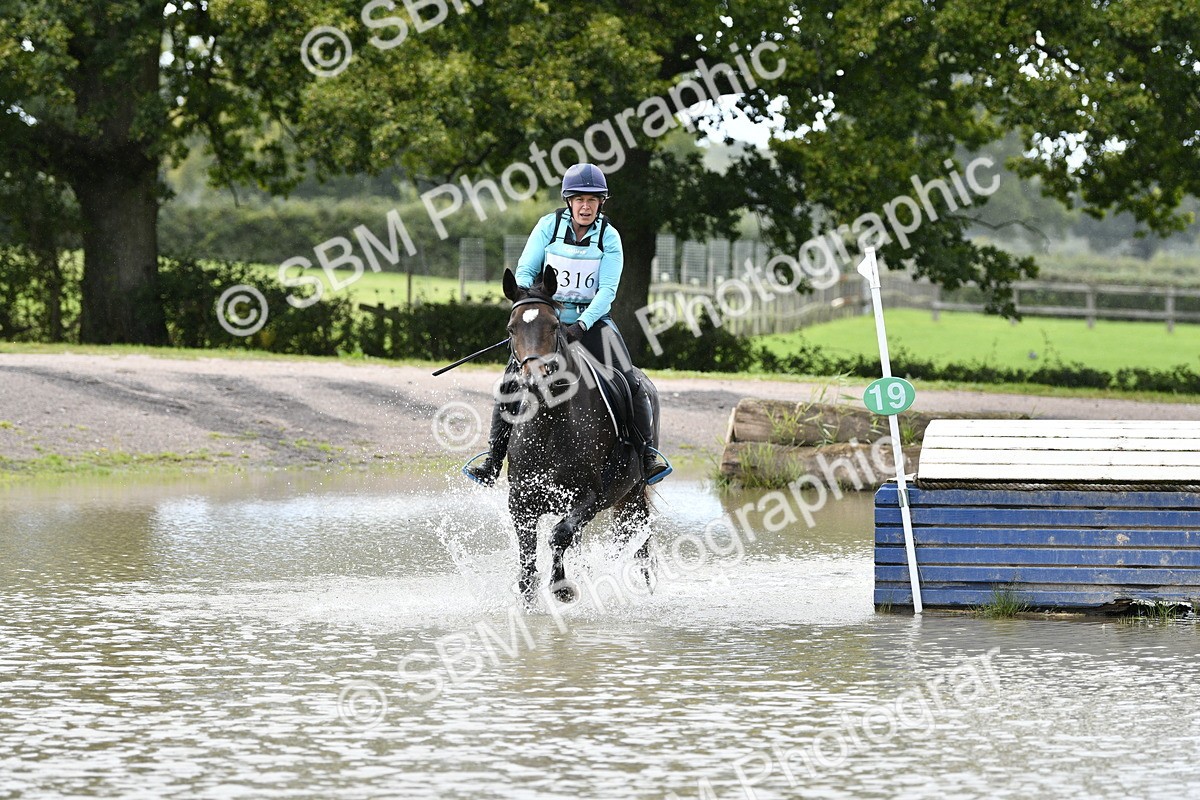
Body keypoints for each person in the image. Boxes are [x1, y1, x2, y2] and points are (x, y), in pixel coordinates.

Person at [464, 162, 669, 486]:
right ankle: (493, 459)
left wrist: (583, 324)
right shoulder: (548, 226)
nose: (585, 206)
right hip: (547, 321)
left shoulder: (609, 236)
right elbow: (526, 269)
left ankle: (645, 457)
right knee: (509, 384)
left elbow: (608, 291)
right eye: (579, 199)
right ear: (568, 201)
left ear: (601, 203)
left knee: (630, 381)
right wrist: (532, 302)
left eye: (592, 200)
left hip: (594, 321)